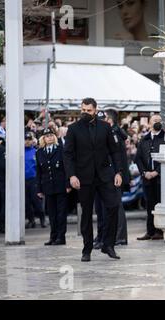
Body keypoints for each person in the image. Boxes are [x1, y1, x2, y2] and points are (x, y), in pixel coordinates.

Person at [63, 98, 123, 262]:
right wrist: (72, 175)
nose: (85, 113)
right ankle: (87, 248)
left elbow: (114, 151)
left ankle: (108, 245)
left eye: (88, 110)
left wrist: (118, 172)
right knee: (86, 214)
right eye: (83, 110)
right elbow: (67, 155)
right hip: (83, 177)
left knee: (113, 206)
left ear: (95, 110)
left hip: (105, 175)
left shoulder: (105, 127)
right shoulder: (73, 129)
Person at [36, 128, 70, 245]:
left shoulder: (60, 149)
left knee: (61, 213)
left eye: (51, 135)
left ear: (54, 137)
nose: (49, 137)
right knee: (51, 213)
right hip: (48, 187)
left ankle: (61, 237)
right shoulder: (39, 152)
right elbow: (39, 172)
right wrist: (39, 189)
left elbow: (66, 168)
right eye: (47, 136)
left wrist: (68, 184)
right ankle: (53, 236)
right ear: (43, 139)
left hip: (60, 186)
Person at [135, 114, 165, 241]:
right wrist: (144, 172)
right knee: (149, 205)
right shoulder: (144, 139)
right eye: (155, 121)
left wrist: (156, 172)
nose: (157, 122)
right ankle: (150, 231)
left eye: (159, 121)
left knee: (160, 204)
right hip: (147, 178)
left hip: (160, 178)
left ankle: (159, 231)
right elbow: (138, 159)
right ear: (149, 123)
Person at [105, 108, 130, 246]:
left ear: (110, 120)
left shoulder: (114, 133)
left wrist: (118, 173)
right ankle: (116, 236)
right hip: (115, 174)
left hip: (116, 174)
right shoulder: (114, 132)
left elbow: (117, 157)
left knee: (117, 206)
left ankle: (120, 237)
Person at [25, 132, 46, 229]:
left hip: (33, 180)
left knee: (36, 201)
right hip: (23, 180)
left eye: (29, 139)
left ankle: (42, 219)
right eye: (26, 139)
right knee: (26, 202)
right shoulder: (20, 152)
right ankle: (31, 220)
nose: (27, 141)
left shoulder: (36, 152)